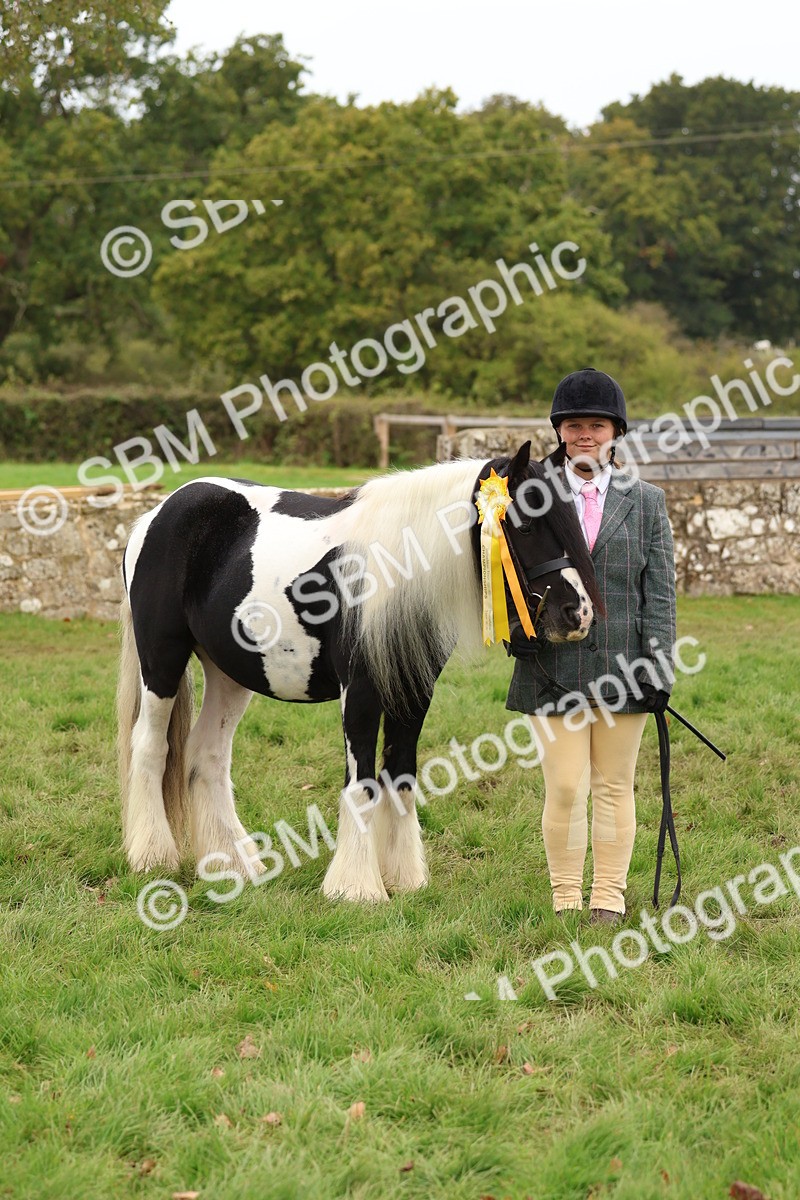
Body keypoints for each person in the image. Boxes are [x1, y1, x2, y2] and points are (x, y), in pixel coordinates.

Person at [506, 367, 677, 924]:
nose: (585, 434)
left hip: (625, 664)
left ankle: (607, 897)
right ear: (559, 431)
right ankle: (563, 896)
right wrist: (517, 631)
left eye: (596, 425)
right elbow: (503, 571)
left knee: (614, 784)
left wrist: (659, 664)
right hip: (553, 663)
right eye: (574, 425)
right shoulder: (529, 496)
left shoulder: (647, 501)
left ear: (615, 432)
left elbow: (660, 590)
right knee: (563, 785)